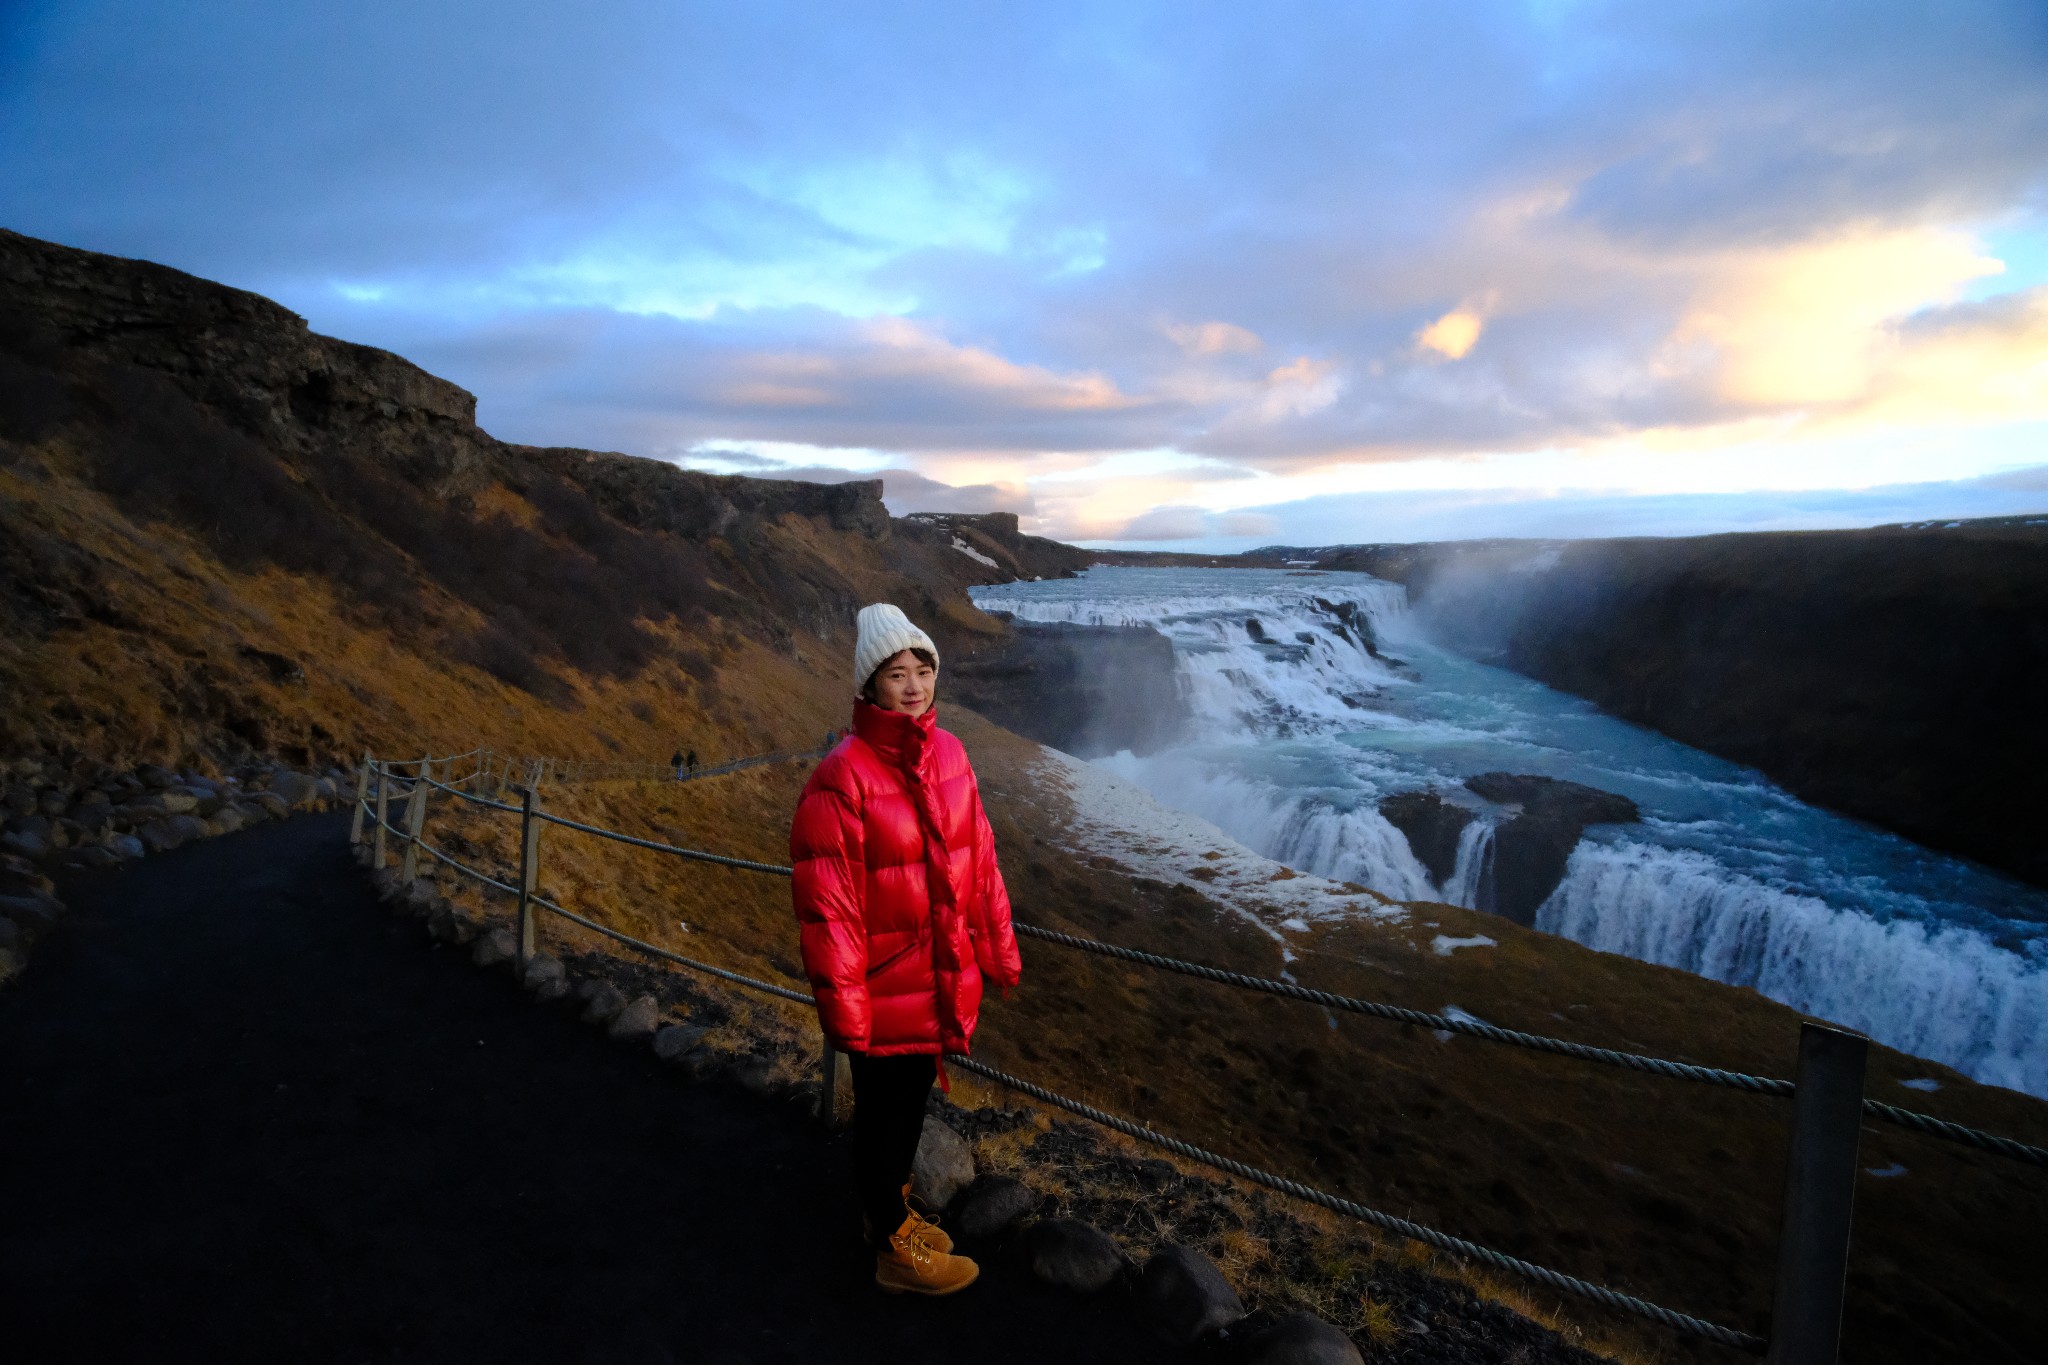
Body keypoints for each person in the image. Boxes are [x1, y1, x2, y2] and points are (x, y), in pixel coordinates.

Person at [790, 603, 1022, 1296]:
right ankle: (895, 1250)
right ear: (870, 686)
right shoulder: (843, 774)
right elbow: (826, 907)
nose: (915, 684)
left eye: (923, 669)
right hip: (882, 986)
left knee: (911, 1105)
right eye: (898, 673)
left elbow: (980, 859)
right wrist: (846, 1011)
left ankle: (888, 1218)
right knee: (882, 1119)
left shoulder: (949, 753)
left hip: (938, 977)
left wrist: (999, 948)